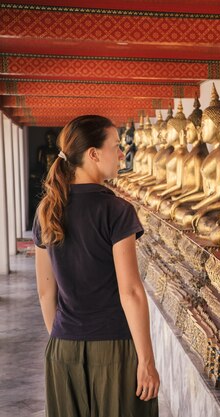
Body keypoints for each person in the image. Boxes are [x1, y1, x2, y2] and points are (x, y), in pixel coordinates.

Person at [33, 115, 160, 417]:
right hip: (114, 347)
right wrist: (146, 360)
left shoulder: (47, 210)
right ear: (93, 154)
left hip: (63, 348)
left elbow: (45, 293)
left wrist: (66, 337)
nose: (121, 154)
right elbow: (130, 291)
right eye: (115, 147)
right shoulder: (115, 210)